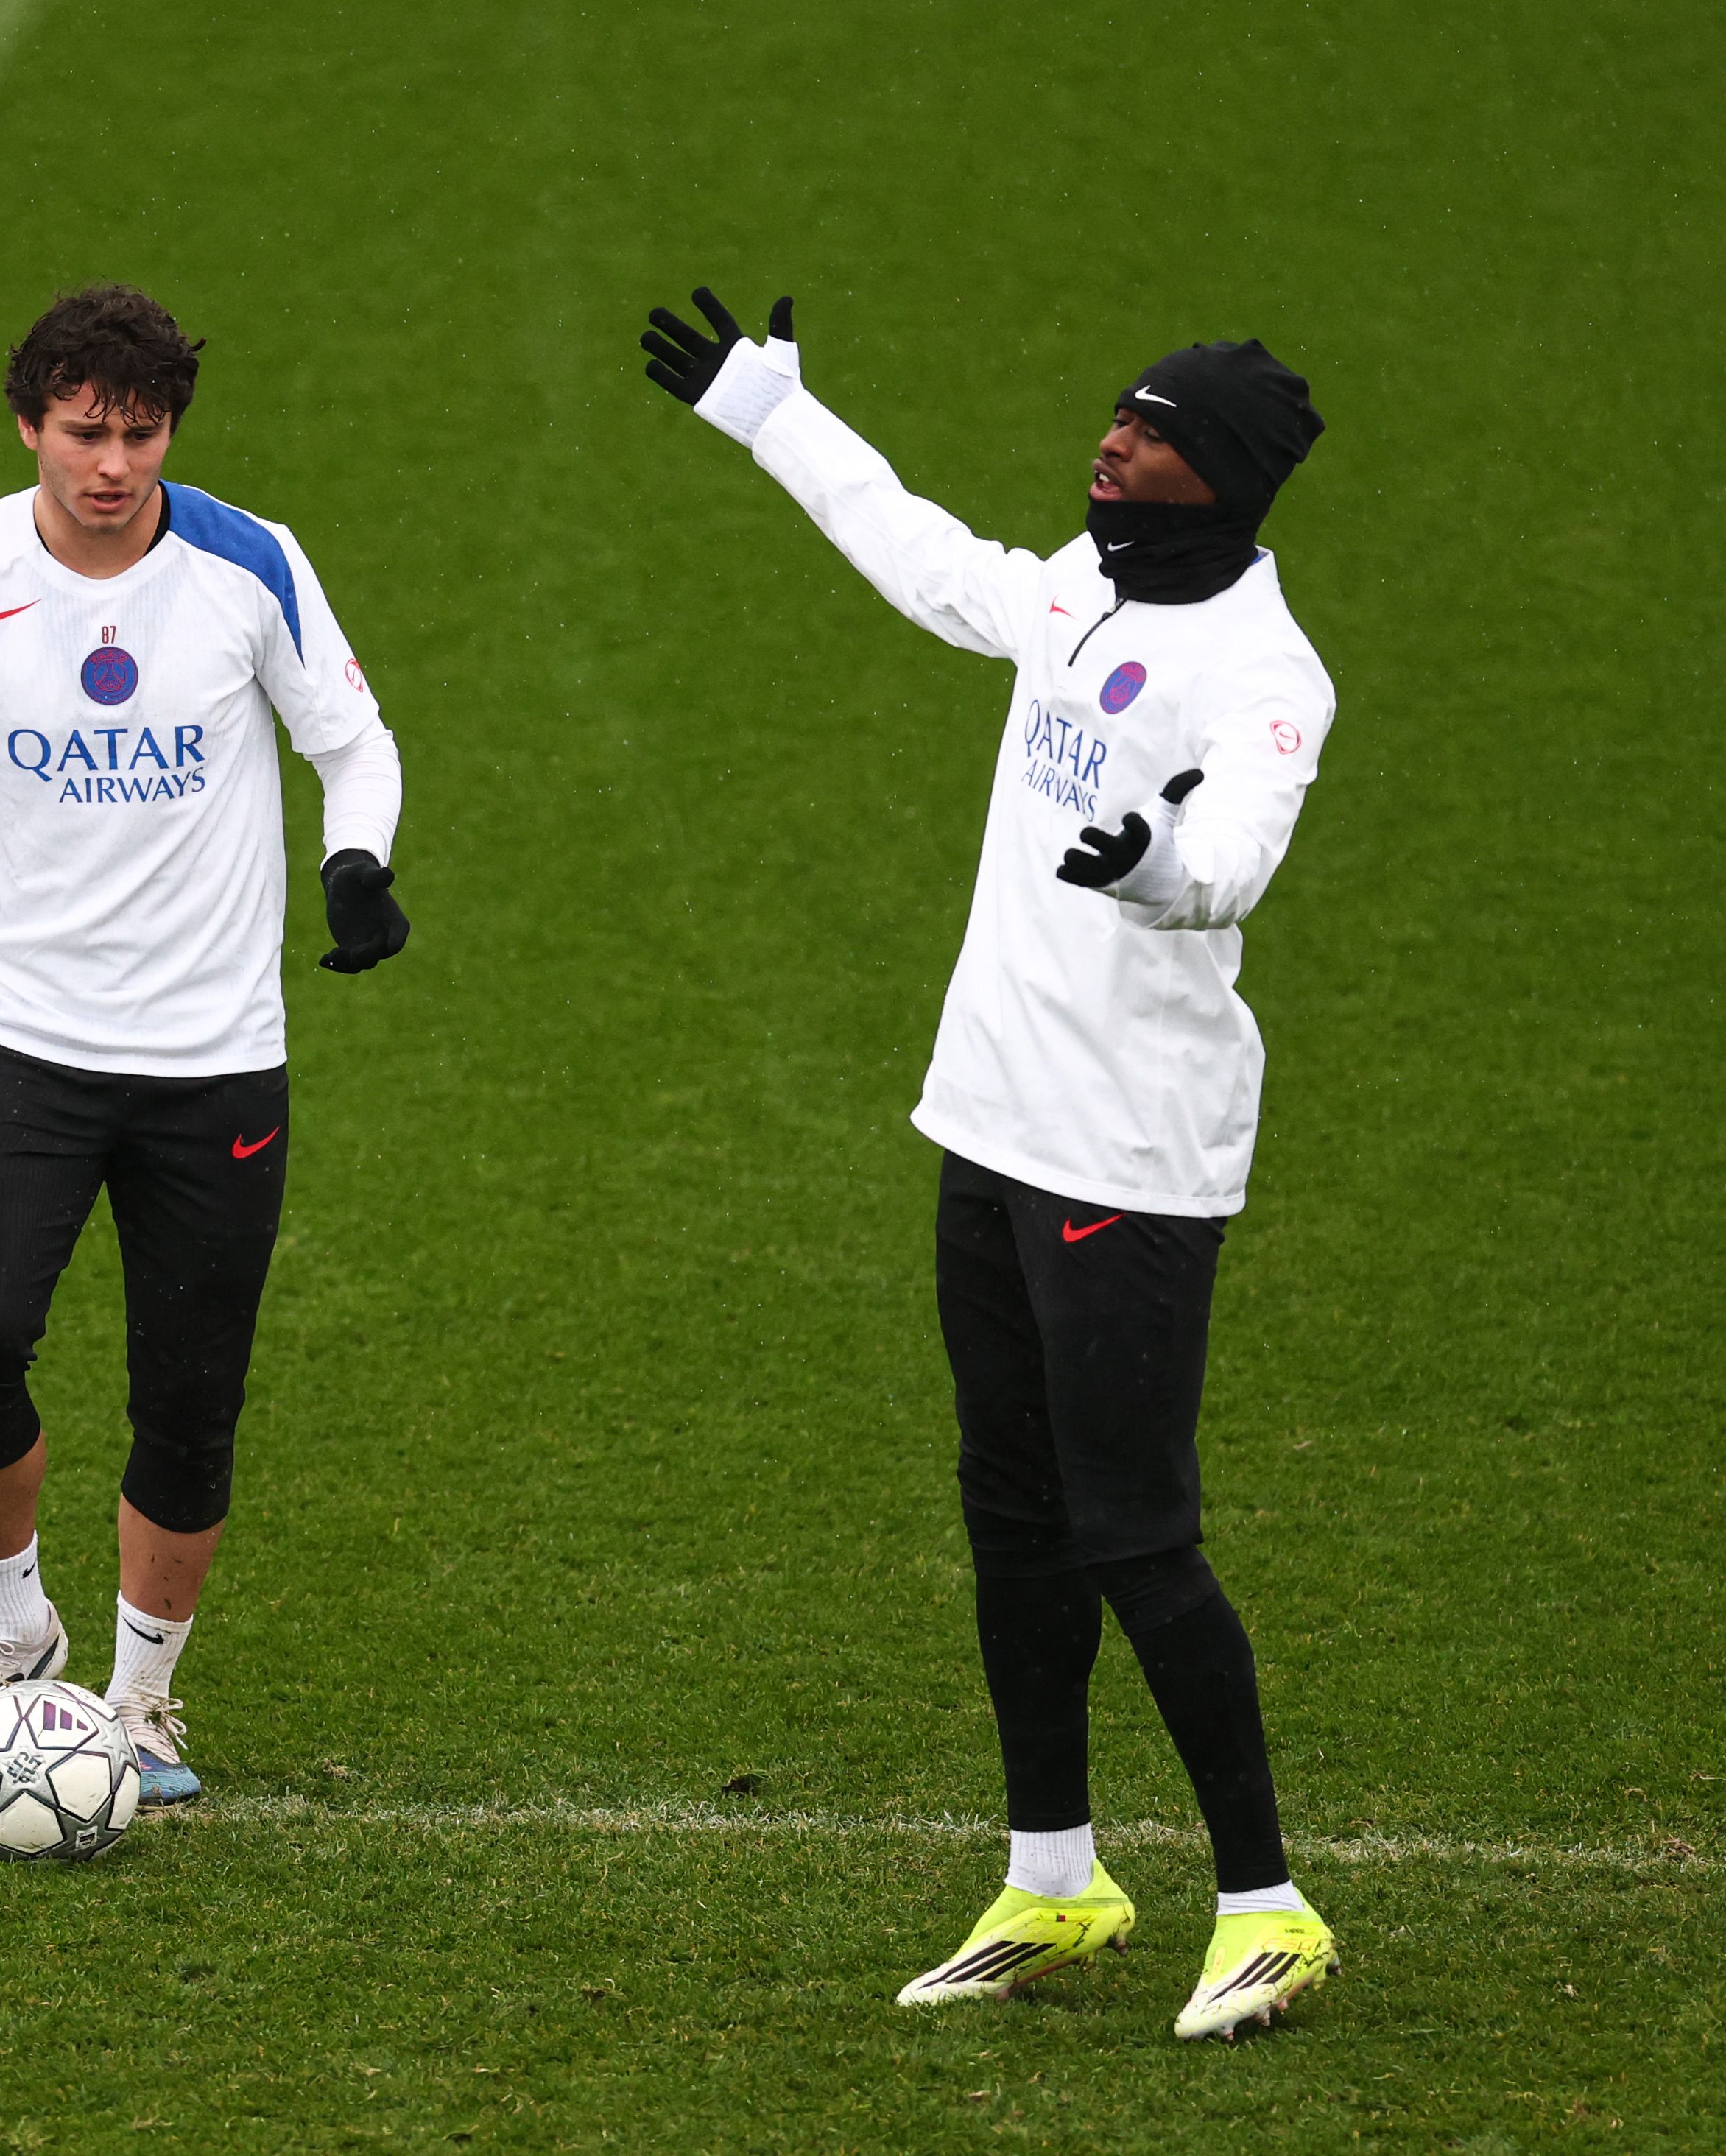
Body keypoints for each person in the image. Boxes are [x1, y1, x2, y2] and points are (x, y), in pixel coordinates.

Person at [637, 289, 1339, 2040]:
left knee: (1138, 1537)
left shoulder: (1265, 672)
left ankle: (1269, 1906)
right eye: (1119, 415)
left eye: (1150, 433)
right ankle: (1054, 1878)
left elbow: (1236, 856)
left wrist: (1155, 869)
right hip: (992, 1123)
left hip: (1131, 1158)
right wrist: (770, 414)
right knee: (1014, 1524)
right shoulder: (1086, 585)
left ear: (1220, 475)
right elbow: (927, 557)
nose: (1111, 442)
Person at [0, 284, 408, 1804]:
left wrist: (356, 862)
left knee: (189, 1398)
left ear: (170, 428)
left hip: (215, 1057)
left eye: (142, 432)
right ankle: (14, 1633)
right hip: (22, 1041)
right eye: (84, 432)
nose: (114, 464)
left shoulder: (249, 563)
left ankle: (142, 1701)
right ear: (28, 425)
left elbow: (352, 741)